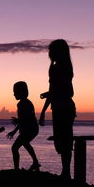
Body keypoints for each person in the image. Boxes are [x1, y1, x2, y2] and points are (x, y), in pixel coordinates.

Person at [39, 39, 76, 179]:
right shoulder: (57, 68)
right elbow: (53, 91)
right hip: (59, 108)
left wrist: (50, 94)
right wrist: (43, 112)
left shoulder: (63, 69)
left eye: (51, 50)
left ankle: (66, 172)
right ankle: (65, 171)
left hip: (65, 109)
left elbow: (68, 92)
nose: (49, 53)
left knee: (64, 141)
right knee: (61, 141)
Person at [6, 81, 41, 171]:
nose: (14, 94)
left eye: (15, 92)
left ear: (21, 92)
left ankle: (17, 168)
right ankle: (35, 163)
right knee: (24, 144)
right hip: (29, 129)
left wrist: (17, 125)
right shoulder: (24, 103)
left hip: (30, 129)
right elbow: (22, 120)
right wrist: (14, 130)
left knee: (15, 147)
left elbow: (26, 119)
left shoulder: (24, 104)